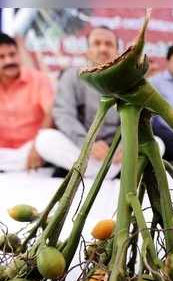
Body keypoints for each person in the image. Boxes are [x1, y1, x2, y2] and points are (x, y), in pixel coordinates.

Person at [35, 26, 122, 178]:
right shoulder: (72, 76)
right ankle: (106, 173)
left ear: (118, 52)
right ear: (87, 51)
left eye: (109, 44)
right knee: (45, 139)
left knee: (156, 142)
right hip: (81, 148)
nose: (103, 48)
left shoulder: (128, 81)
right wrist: (88, 144)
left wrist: (121, 148)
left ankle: (99, 171)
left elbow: (137, 120)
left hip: (115, 153)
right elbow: (64, 114)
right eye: (97, 43)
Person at [0, 33, 54, 172]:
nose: (9, 61)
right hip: (3, 153)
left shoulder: (39, 79)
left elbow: (51, 113)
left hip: (32, 150)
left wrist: (36, 147)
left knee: (49, 142)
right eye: (2, 57)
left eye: (12, 54)